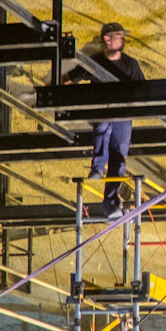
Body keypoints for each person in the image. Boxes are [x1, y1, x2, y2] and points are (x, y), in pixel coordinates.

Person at [65, 21, 147, 216]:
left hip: (123, 116)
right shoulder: (96, 62)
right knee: (102, 126)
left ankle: (111, 206)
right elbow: (73, 76)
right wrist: (50, 91)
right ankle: (98, 167)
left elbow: (143, 89)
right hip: (102, 110)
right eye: (118, 35)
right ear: (108, 39)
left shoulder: (130, 65)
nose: (122, 39)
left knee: (119, 160)